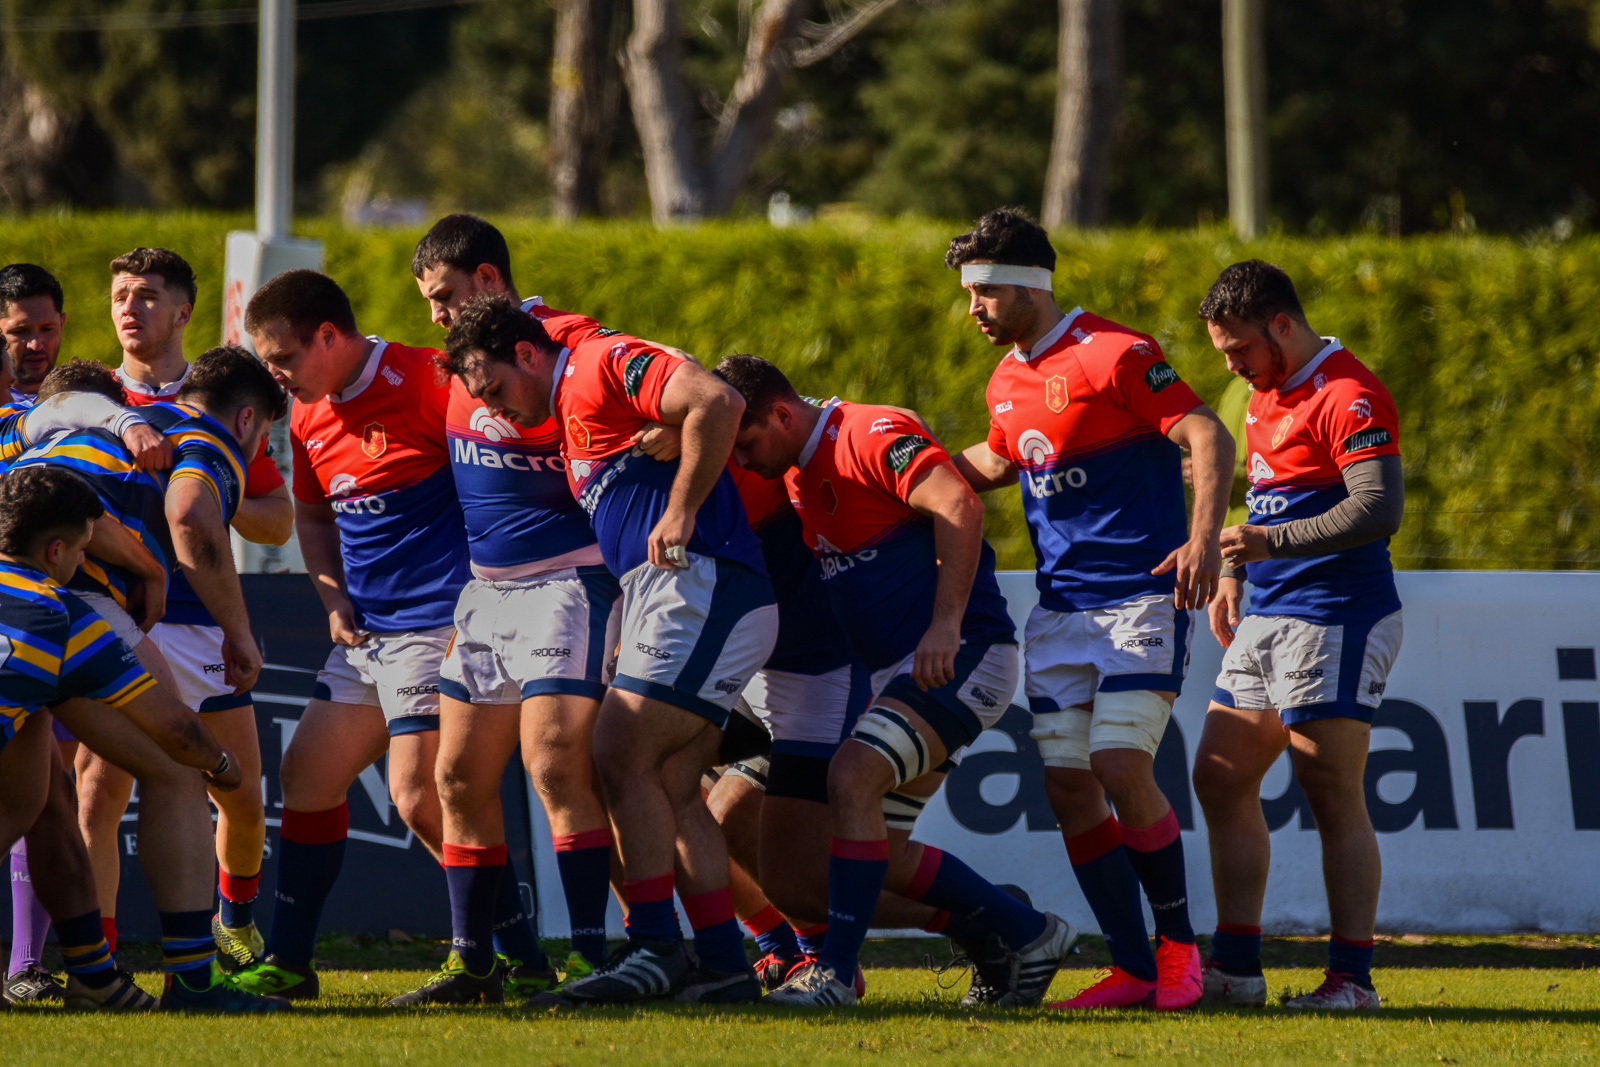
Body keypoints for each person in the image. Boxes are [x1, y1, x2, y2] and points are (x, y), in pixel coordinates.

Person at [443, 295, 778, 1005]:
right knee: (671, 785)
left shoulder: (595, 362)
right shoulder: (568, 411)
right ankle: (723, 962)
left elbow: (717, 398)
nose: (495, 411)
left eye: (496, 389)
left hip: (706, 581)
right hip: (674, 593)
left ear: (528, 353)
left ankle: (656, 947)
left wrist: (682, 507)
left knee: (616, 750)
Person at [715, 355, 1076, 1008]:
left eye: (746, 443)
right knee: (819, 874)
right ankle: (1022, 930)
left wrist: (945, 622)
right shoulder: (799, 471)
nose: (743, 460)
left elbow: (959, 502)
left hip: (961, 657)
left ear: (781, 414)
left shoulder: (869, 431)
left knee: (851, 777)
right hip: (907, 678)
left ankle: (834, 975)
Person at [944, 208, 1235, 1011]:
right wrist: (902, 476)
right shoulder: (1006, 379)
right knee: (1071, 789)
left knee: (1118, 764)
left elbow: (1206, 433)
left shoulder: (1117, 353)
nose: (973, 308)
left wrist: (1204, 538)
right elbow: (1000, 460)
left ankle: (1182, 951)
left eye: (986, 292)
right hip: (1060, 609)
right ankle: (1135, 966)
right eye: (970, 294)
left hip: (1141, 597)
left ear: (1030, 283)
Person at [233, 269, 546, 1001]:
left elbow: (515, 443)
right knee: (307, 775)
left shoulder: (425, 379)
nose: (274, 378)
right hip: (367, 633)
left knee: (417, 797)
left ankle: (507, 954)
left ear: (330, 337)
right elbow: (312, 519)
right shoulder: (308, 416)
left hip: (440, 620)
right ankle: (291, 960)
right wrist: (332, 596)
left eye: (282, 358)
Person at [386, 216, 621, 1006]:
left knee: (555, 767)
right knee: (454, 778)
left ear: (489, 279)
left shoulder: (564, 344)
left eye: (446, 295)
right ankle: (473, 960)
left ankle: (593, 958)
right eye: (427, 302)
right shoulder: (444, 368)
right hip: (485, 593)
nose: (436, 314)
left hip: (569, 584)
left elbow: (645, 402)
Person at [1190, 259, 1404, 1011]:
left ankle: (1352, 978)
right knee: (1218, 774)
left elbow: (1378, 509)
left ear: (1282, 324)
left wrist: (1270, 546)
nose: (1233, 366)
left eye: (1240, 348)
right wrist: (1230, 577)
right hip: (1269, 613)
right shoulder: (1262, 393)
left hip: (1340, 609)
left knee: (1329, 789)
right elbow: (1263, 499)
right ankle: (1238, 968)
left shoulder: (1348, 392)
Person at [71, 248, 293, 964]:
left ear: (183, 311)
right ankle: (93, 957)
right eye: (120, 295)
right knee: (98, 789)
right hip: (119, 617)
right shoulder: (90, 397)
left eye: (147, 295)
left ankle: (234, 922)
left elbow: (279, 517)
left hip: (201, 613)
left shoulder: (218, 402)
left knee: (241, 793)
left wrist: (200, 499)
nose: (129, 308)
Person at [0, 464, 284, 1012]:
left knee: (46, 795)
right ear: (55, 552)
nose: (85, 563)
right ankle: (194, 981)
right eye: (84, 551)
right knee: (173, 769)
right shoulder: (59, 616)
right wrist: (222, 768)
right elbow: (174, 729)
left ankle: (93, 976)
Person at [0, 264, 66, 407]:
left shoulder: (90, 397)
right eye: (20, 331)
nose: (36, 345)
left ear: (62, 324)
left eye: (47, 329)